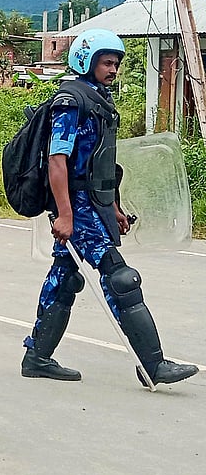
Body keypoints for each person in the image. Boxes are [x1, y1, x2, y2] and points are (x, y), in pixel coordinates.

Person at [21, 29, 198, 386]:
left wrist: (113, 208)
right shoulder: (70, 102)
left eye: (116, 63)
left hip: (92, 204)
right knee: (121, 278)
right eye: (106, 62)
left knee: (64, 279)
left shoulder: (99, 100)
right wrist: (66, 214)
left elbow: (100, 165)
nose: (113, 69)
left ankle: (37, 357)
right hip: (77, 207)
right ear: (86, 61)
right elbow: (57, 161)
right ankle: (152, 364)